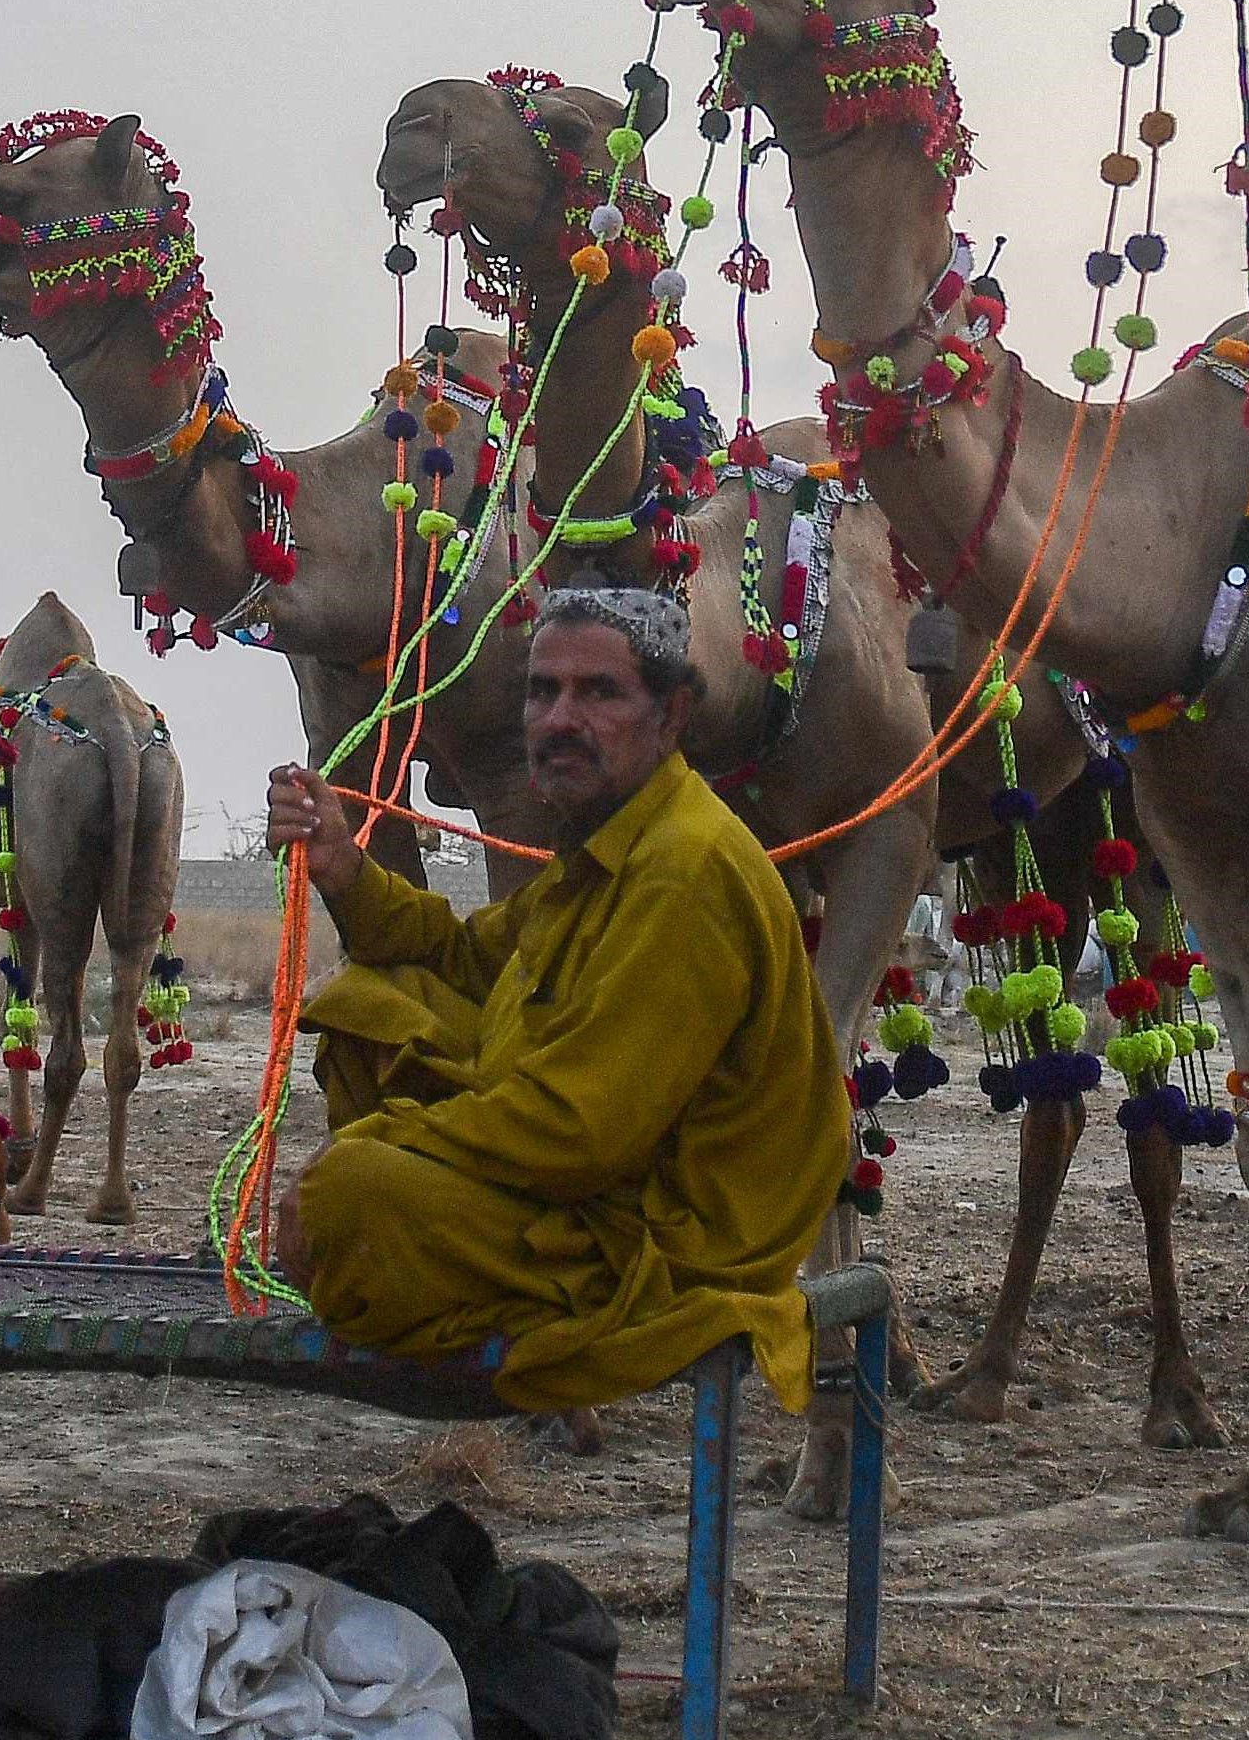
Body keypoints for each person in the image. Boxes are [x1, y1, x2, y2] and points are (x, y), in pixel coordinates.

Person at [262, 586, 847, 1415]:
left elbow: (578, 1129)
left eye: (598, 693)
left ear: (671, 714)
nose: (559, 719)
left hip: (658, 1239)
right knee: (370, 1004)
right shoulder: (614, 838)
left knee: (350, 1193)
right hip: (593, 1181)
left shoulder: (683, 870)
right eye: (543, 692)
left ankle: (466, 1293)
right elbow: (468, 959)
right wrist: (342, 867)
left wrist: (372, 1153)